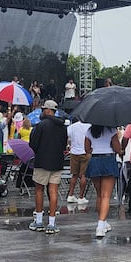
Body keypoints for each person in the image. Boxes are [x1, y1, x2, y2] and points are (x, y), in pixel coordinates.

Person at [28, 100, 68, 234]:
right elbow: (64, 145)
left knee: (39, 190)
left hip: (42, 161)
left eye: (43, 109)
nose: (42, 111)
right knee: (53, 191)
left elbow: (33, 144)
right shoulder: (62, 126)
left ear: (48, 110)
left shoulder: (41, 125)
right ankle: (51, 223)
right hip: (57, 162)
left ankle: (39, 221)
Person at [85, 124, 122, 237]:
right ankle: (100, 226)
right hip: (108, 159)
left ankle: (103, 221)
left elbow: (86, 149)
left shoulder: (90, 130)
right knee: (106, 196)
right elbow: (117, 149)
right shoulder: (111, 130)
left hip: (94, 160)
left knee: (99, 195)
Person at [65, 117, 91, 205]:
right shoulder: (88, 126)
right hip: (85, 152)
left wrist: (69, 145)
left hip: (74, 152)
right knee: (83, 175)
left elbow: (66, 136)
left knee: (74, 175)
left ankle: (71, 195)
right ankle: (81, 197)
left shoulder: (72, 126)